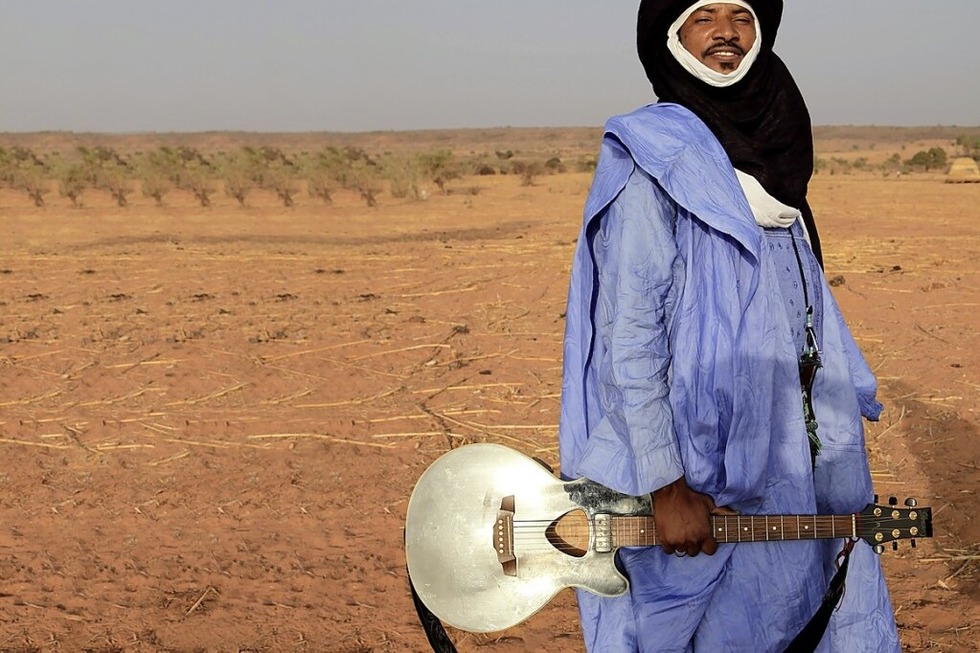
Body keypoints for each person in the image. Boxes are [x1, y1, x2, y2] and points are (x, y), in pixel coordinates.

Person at [557, 1, 901, 650]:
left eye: (741, 16)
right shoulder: (655, 161)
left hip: (792, 462)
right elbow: (633, 335)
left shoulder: (778, 158)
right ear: (671, 37)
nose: (726, 32)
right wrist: (665, 485)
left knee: (808, 615)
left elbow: (805, 309)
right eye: (703, 16)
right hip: (697, 473)